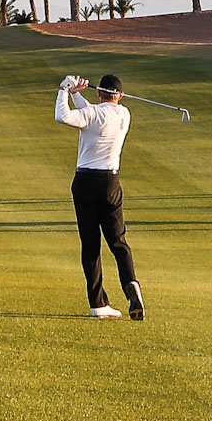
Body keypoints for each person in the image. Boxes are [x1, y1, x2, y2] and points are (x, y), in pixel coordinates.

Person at [55, 72, 144, 320]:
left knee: (91, 244)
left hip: (84, 182)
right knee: (118, 241)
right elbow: (94, 114)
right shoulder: (124, 114)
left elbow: (63, 116)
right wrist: (77, 95)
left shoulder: (93, 114)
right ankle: (131, 284)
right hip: (110, 182)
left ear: (99, 92)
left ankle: (98, 304)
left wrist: (64, 89)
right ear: (121, 96)